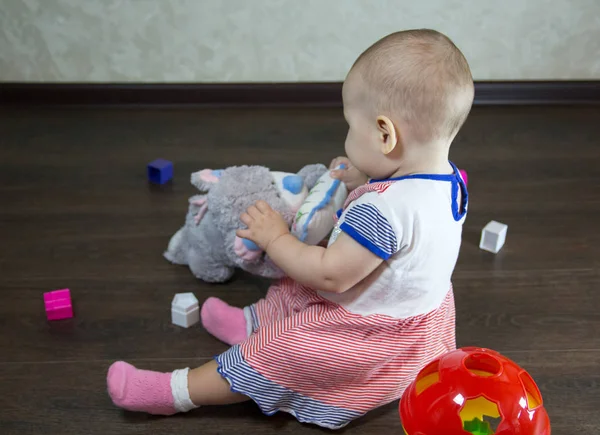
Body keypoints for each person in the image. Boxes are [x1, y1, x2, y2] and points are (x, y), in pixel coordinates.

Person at [106, 28, 474, 429]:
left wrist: (275, 237)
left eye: (352, 125)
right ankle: (251, 322)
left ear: (385, 134)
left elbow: (330, 274)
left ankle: (178, 392)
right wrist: (361, 177)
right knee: (293, 292)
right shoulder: (451, 181)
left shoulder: (381, 212)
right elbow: (409, 216)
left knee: (282, 339)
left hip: (369, 332)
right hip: (416, 315)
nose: (347, 135)